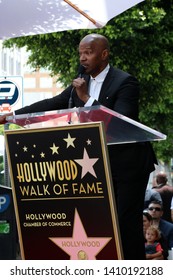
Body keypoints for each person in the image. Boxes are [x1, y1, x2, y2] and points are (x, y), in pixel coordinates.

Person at [0, 33, 157, 260]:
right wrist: (12, 116)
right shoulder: (81, 81)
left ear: (104, 54)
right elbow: (53, 103)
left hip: (128, 166)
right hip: (96, 163)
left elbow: (122, 118)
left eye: (88, 52)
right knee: (101, 224)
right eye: (81, 53)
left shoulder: (125, 82)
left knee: (124, 223)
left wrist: (86, 99)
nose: (83, 58)